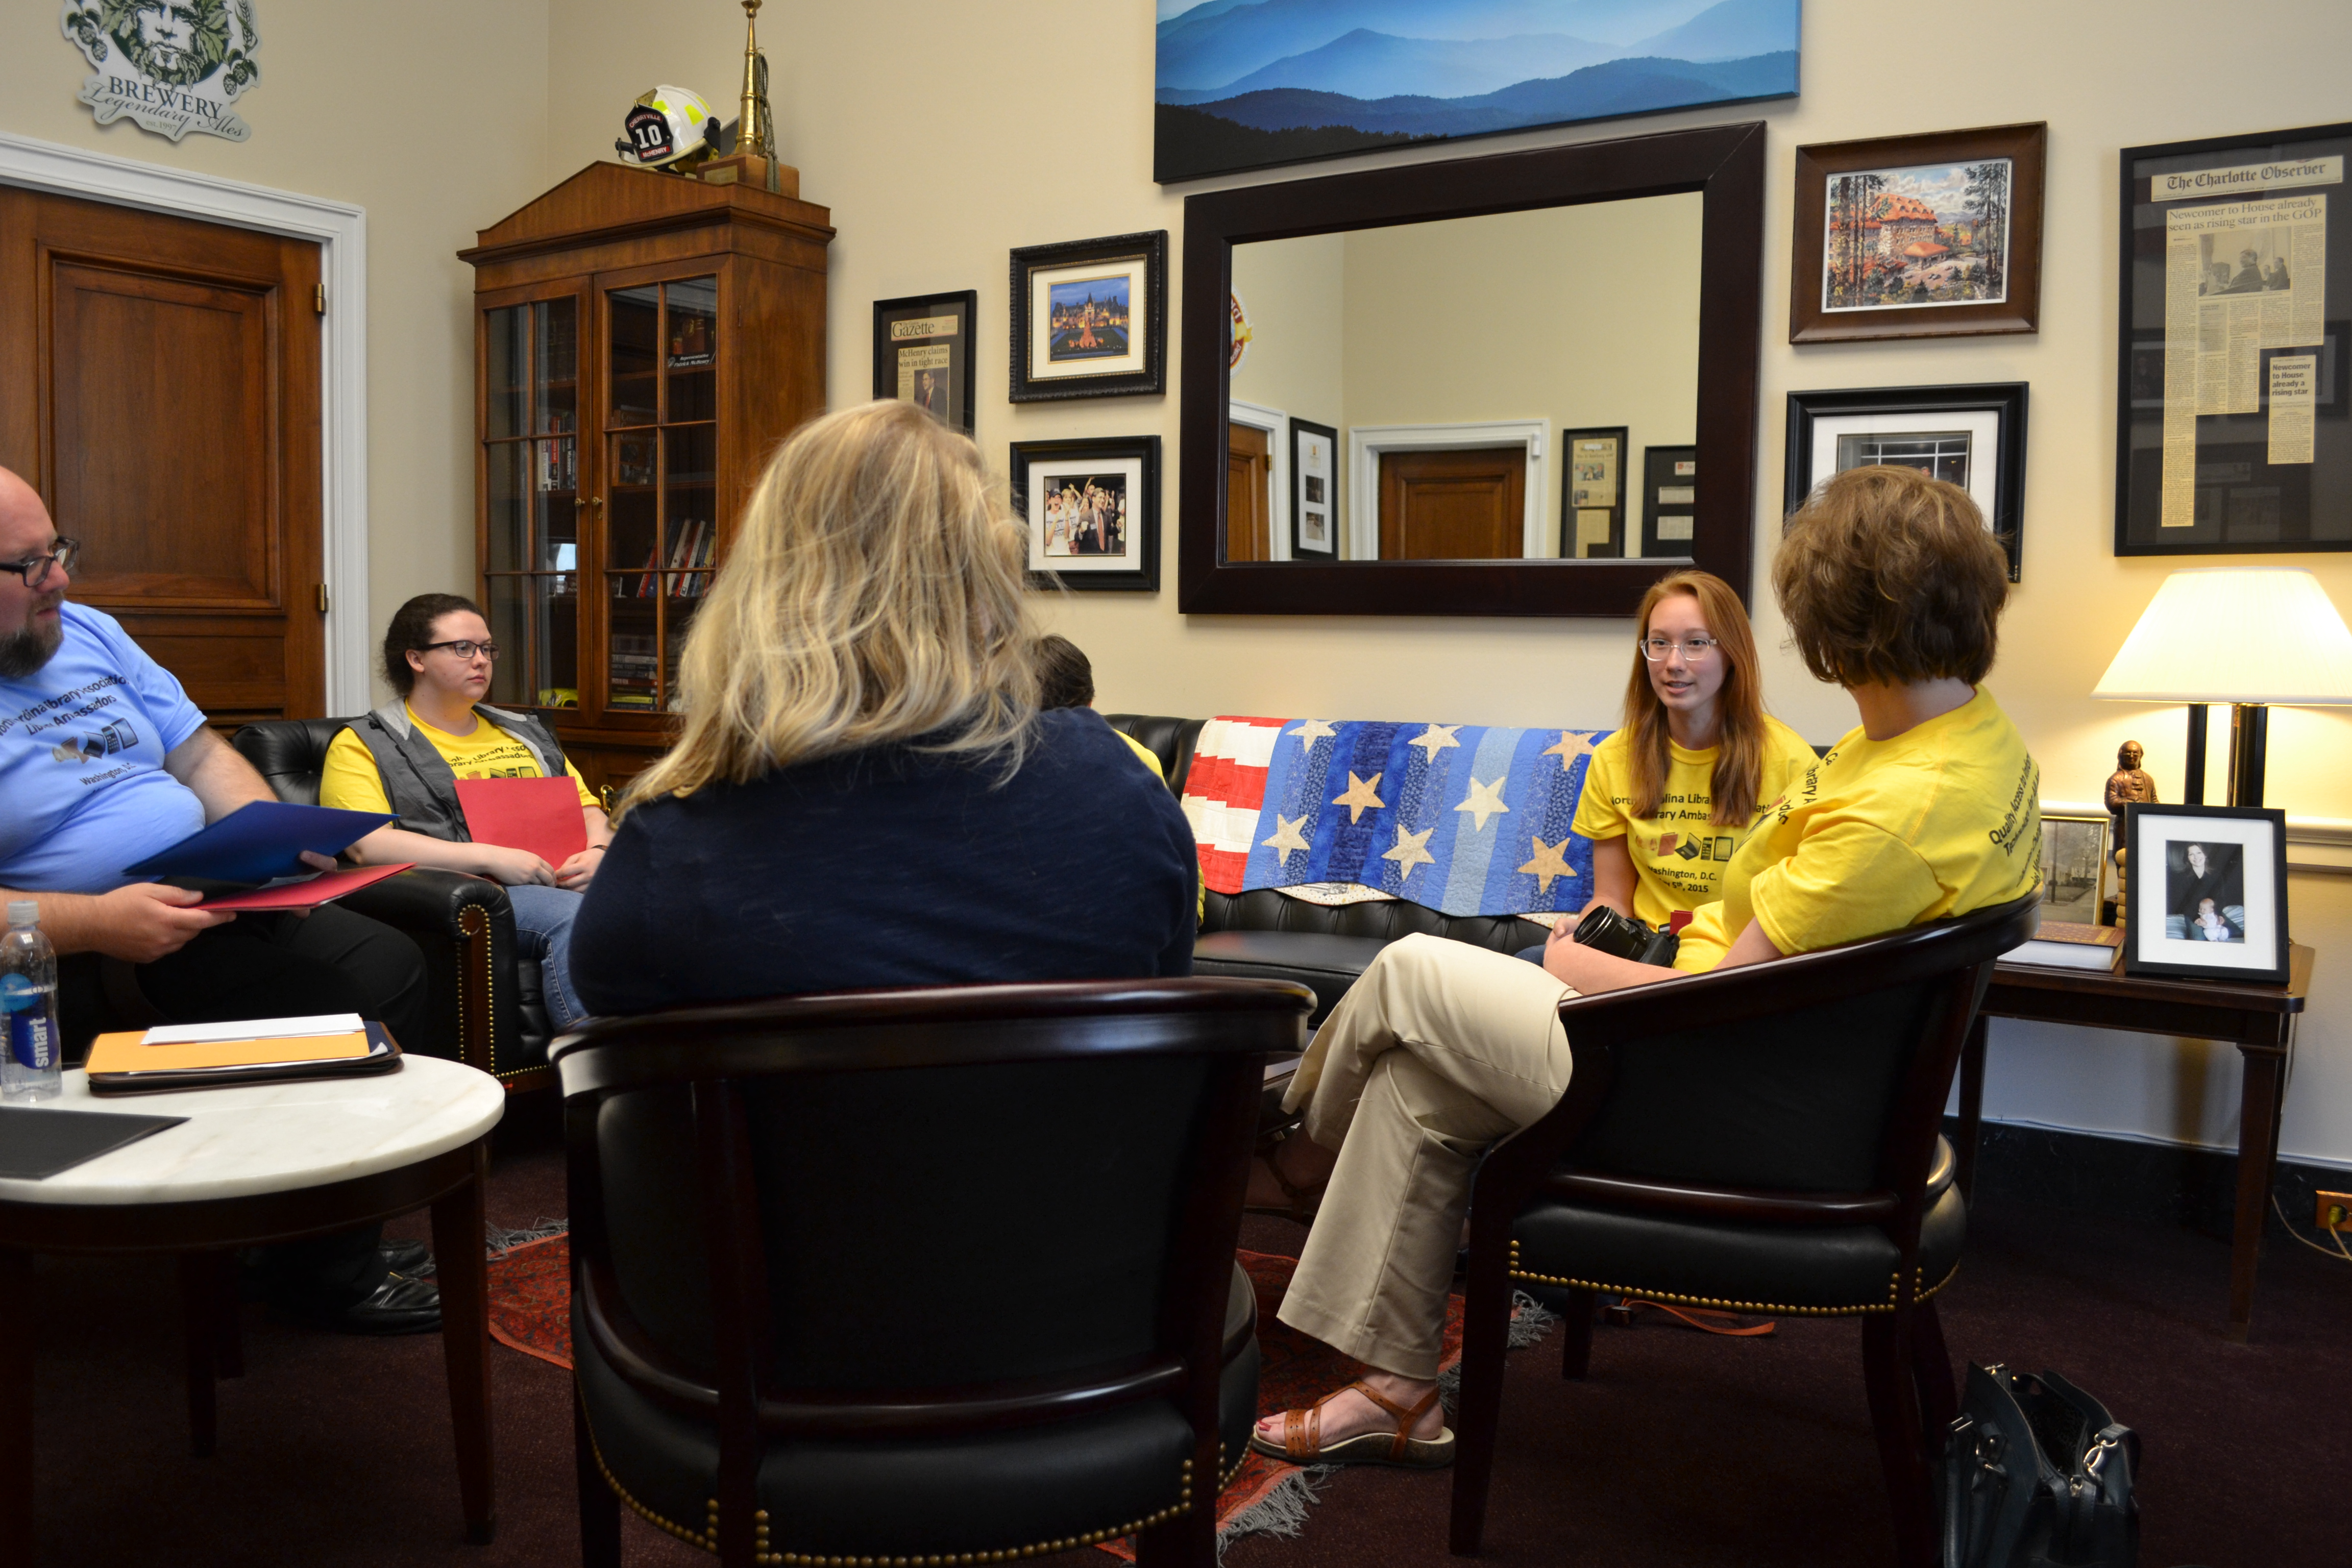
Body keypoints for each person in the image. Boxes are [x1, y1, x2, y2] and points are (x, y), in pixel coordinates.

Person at [1245, 465, 2039, 1469]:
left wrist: (1575, 967)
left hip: (1713, 1098)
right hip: (1784, 1079)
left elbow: (1712, 1005)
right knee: (1412, 1086)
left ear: (1840, 624)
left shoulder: (1894, 813)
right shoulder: (1969, 741)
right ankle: (1398, 1393)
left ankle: (1291, 1147)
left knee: (1408, 972)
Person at [568, 400, 1196, 1013]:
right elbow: (1165, 1005)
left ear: (764, 591)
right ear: (991, 585)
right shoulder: (1120, 793)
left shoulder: (672, 853)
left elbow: (615, 1033)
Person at [0, 464, 438, 1334]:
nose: (59, 580)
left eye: (58, 551)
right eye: (29, 566)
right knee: (326, 1004)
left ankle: (289, 1242)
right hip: (67, 953)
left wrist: (271, 843)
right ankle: (325, 1274)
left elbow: (199, 754)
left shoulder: (90, 631)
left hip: (204, 894)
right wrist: (99, 922)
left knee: (388, 961)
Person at [316, 594, 611, 1031]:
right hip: (480, 892)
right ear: (416, 658)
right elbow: (366, 844)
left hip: (563, 875)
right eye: (463, 648)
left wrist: (600, 851)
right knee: (577, 918)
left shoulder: (524, 732)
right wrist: (488, 856)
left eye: (487, 648)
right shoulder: (364, 742)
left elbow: (587, 808)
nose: (481, 660)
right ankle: (602, 1059)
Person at [1516, 569, 1817, 959]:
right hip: (1646, 947)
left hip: (1735, 955)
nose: (1673, 662)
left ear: (1732, 653)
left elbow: (1800, 902)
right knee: (1532, 959)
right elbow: (1612, 897)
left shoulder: (1791, 761)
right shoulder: (1614, 758)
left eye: (1696, 643)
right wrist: (1587, 930)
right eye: (1659, 643)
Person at [2170, 840, 2244, 941]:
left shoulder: (2216, 875)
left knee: (2237, 933)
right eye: (2191, 854)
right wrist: (2197, 919)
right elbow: (2183, 904)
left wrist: (2218, 915)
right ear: (2187, 858)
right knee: (2199, 939)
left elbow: (2220, 899)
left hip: (2212, 913)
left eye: (2199, 853)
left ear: (2205, 855)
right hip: (2193, 915)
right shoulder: (2182, 878)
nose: (2196, 857)